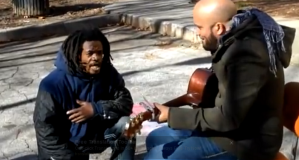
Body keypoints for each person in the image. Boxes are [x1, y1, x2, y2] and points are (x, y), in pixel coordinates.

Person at [144, 0, 296, 160]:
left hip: (247, 143)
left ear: (218, 27)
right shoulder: (233, 39)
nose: (197, 32)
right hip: (230, 129)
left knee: (155, 157)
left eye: (200, 27)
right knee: (155, 138)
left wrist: (171, 114)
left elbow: (228, 118)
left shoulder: (247, 57)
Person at [33, 28, 136, 160]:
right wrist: (66, 157)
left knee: (127, 124)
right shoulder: (52, 84)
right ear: (77, 55)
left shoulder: (108, 73)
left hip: (96, 137)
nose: (96, 58)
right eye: (90, 53)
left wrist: (96, 109)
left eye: (99, 53)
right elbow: (44, 129)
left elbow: (126, 103)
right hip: (66, 145)